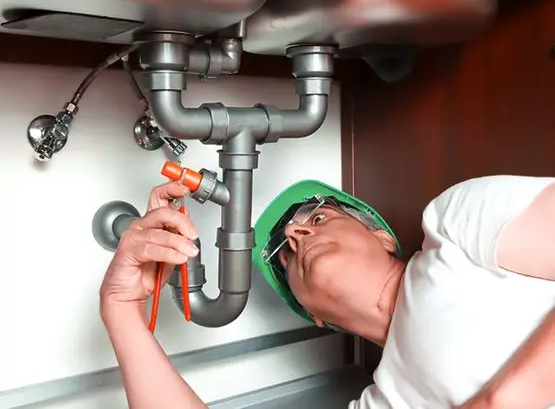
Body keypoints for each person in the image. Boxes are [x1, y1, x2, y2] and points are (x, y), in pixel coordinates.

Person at [100, 175, 555, 409]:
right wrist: (121, 309)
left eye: (318, 218)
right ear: (314, 314)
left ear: (381, 237)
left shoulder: (453, 225)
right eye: (286, 257)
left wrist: (501, 401)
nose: (295, 234)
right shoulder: (386, 402)